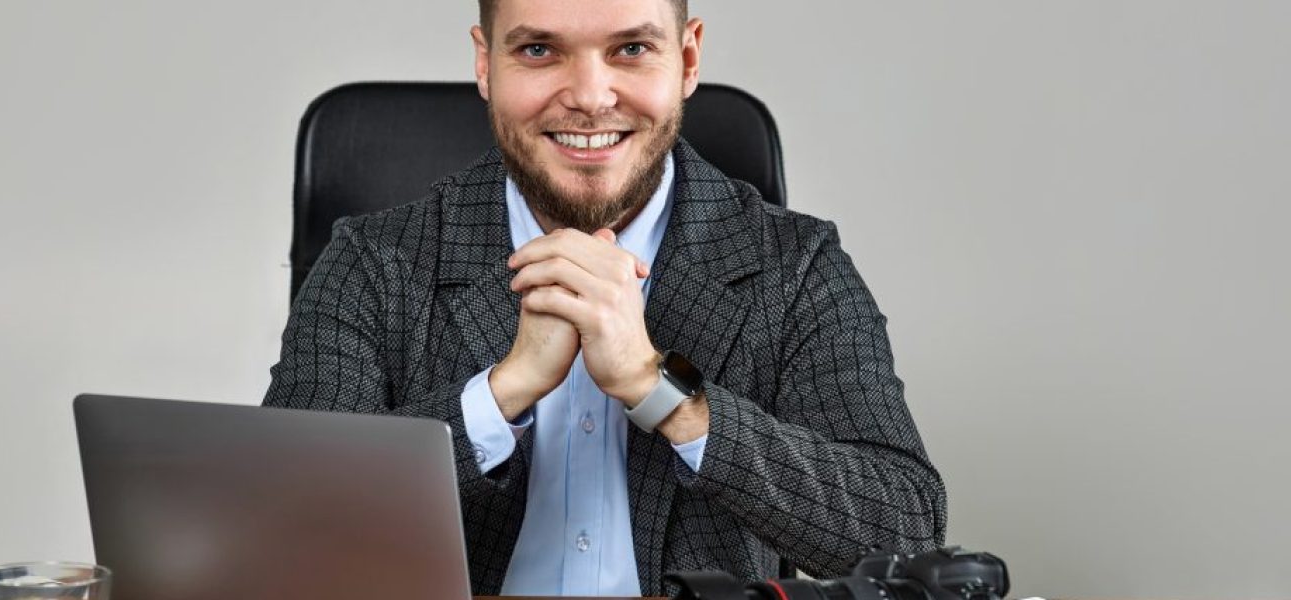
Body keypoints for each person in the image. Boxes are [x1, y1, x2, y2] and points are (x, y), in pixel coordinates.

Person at [263, 0, 946, 595]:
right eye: (539, 49)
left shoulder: (794, 266)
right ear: (486, 64)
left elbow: (904, 535)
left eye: (631, 49)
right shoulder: (374, 260)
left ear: (685, 59)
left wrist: (661, 391)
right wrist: (500, 394)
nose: (590, 96)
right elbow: (282, 529)